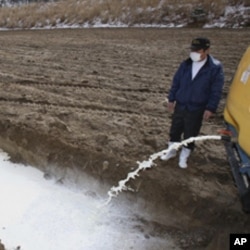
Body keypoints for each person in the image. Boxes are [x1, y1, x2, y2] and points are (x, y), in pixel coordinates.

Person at [161, 37, 224, 168]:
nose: (194, 53)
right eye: (192, 50)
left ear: (207, 50)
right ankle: (171, 151)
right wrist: (171, 99)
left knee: (191, 132)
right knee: (175, 129)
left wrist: (210, 108)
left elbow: (216, 90)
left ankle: (184, 155)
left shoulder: (214, 68)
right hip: (182, 103)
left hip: (197, 106)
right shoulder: (186, 64)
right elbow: (176, 82)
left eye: (198, 50)